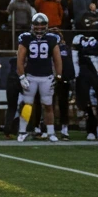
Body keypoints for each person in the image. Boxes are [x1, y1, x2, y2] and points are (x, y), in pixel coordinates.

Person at [16, 12, 63, 142]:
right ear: (32, 25)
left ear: (47, 26)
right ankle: (22, 131)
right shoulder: (26, 38)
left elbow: (57, 59)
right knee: (27, 105)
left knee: (48, 105)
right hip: (30, 76)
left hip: (46, 77)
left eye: (42, 25)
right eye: (36, 25)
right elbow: (20, 59)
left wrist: (58, 76)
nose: (39, 27)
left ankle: (51, 132)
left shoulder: (52, 38)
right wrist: (21, 77)